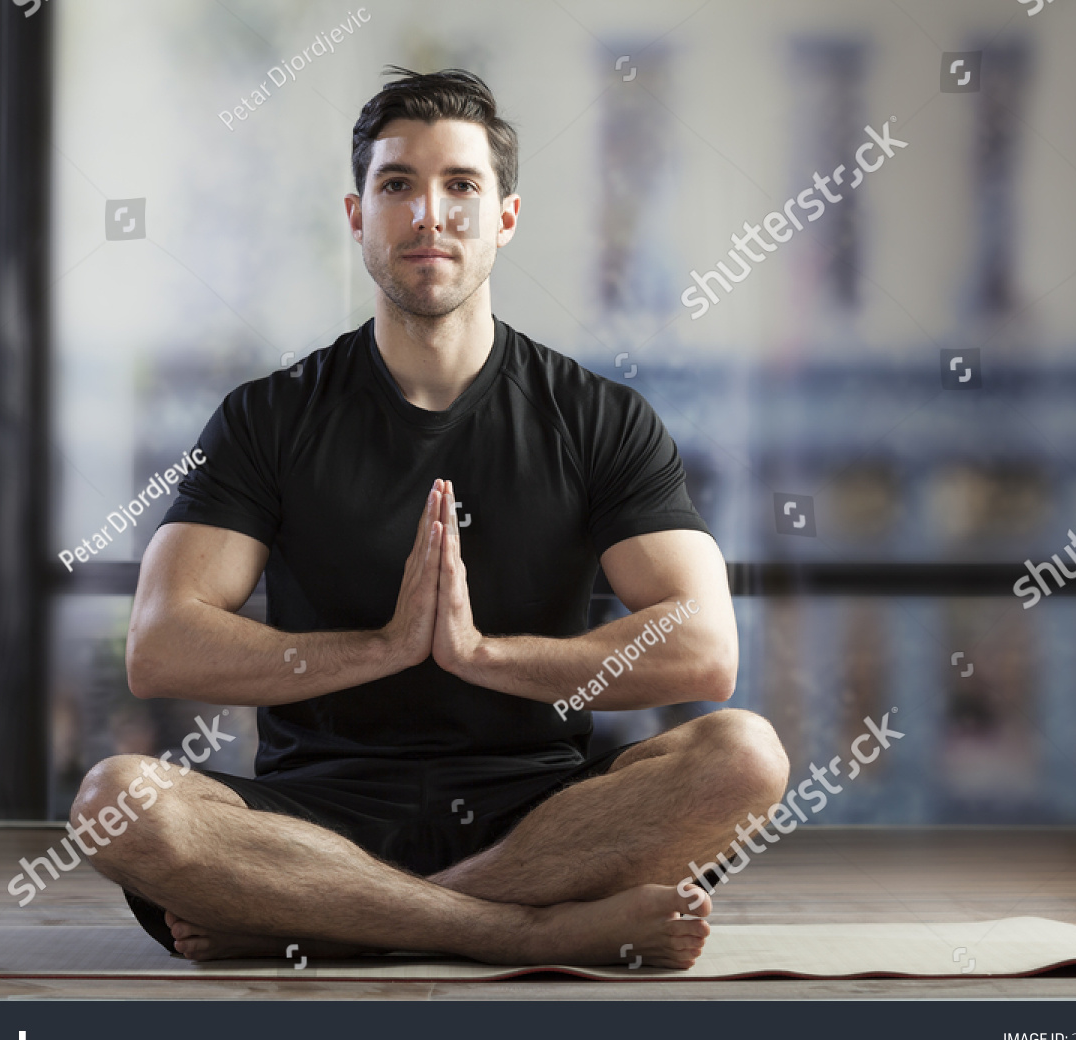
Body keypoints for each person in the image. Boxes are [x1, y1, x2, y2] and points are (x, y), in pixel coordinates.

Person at [72, 67, 788, 970]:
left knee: (748, 756)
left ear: (506, 216)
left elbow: (704, 652)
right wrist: (384, 645)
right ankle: (526, 933)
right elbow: (159, 646)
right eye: (398, 184)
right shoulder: (271, 416)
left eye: (461, 186)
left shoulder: (599, 417)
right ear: (357, 213)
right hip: (311, 818)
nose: (428, 214)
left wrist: (481, 654)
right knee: (115, 799)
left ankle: (332, 920)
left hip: (541, 819)